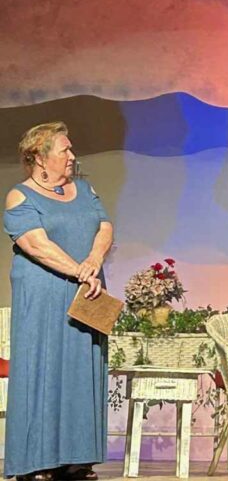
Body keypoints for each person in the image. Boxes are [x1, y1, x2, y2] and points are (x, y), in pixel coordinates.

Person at [3, 122, 113, 481]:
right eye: (64, 149)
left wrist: (94, 262)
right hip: (46, 292)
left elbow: (104, 227)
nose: (72, 156)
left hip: (87, 291)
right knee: (42, 368)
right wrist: (79, 270)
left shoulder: (84, 188)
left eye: (71, 149)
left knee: (83, 369)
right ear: (38, 156)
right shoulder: (20, 196)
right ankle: (35, 461)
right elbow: (36, 244)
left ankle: (77, 459)